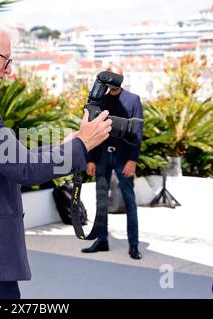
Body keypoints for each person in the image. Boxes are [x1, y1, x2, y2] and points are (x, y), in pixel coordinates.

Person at [0, 16, 113, 299]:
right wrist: (83, 145)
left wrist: (70, 143)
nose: (9, 70)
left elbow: (12, 158)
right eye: (5, 59)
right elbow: (24, 169)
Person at [81, 65, 144, 260]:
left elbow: (137, 132)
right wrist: (90, 159)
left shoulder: (133, 100)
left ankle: (133, 244)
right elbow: (91, 128)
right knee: (100, 200)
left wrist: (132, 160)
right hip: (101, 157)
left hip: (123, 158)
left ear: (122, 78)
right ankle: (102, 240)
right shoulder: (102, 100)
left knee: (129, 201)